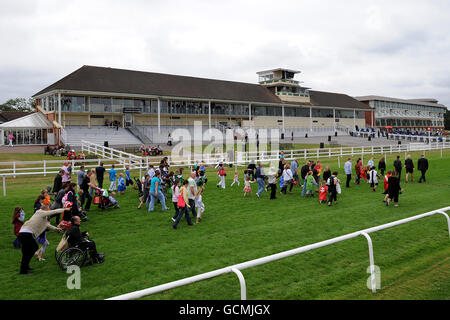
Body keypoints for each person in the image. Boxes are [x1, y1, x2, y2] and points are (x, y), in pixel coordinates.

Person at [17, 204, 66, 274]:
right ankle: (23, 270)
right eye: (48, 208)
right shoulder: (40, 212)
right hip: (26, 233)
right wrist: (64, 209)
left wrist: (56, 229)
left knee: (27, 252)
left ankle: (24, 267)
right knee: (33, 248)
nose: (49, 210)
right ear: (45, 209)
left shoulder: (43, 218)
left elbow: (47, 225)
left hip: (23, 233)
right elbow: (54, 211)